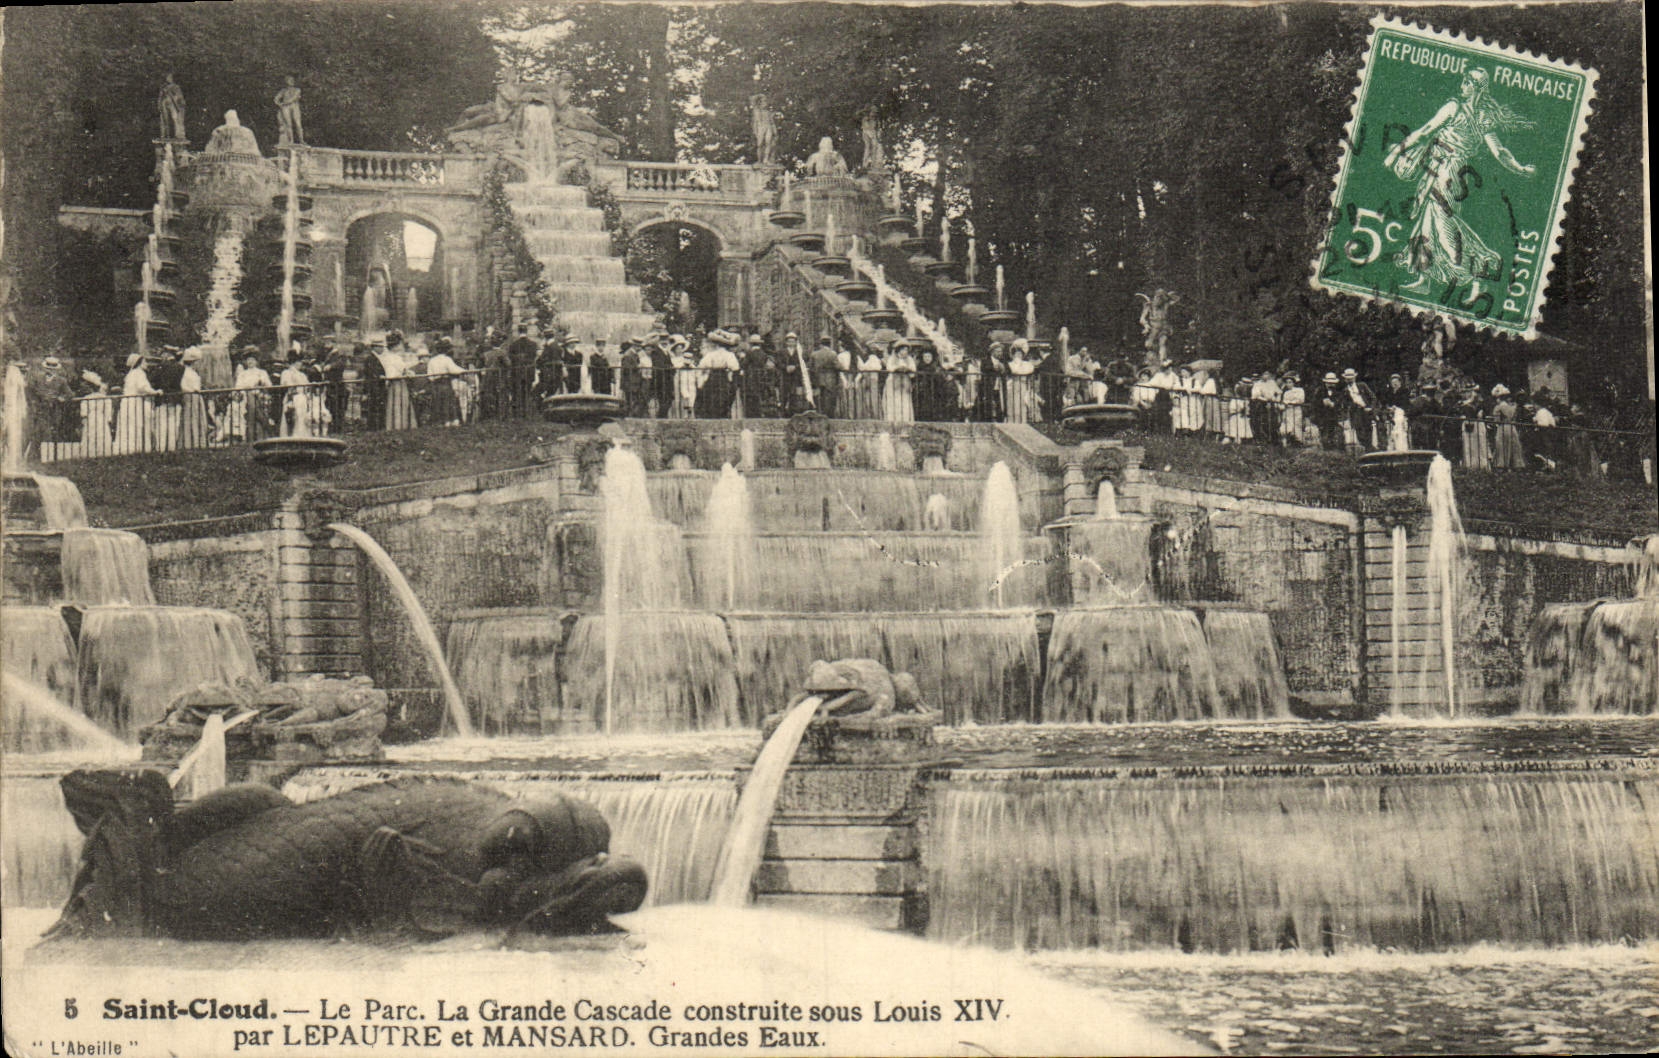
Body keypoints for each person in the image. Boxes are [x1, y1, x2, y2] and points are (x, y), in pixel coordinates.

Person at [1384, 67, 1536, 300]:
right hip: (1446, 169)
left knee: (1444, 224)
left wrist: (1396, 152)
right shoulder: (1482, 116)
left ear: (1477, 87)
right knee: (1428, 222)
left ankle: (1480, 273)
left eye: (1466, 82)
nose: (1462, 86)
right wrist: (1520, 168)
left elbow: (1426, 131)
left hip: (1447, 170)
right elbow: (1500, 152)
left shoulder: (1456, 108)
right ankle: (1425, 279)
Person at [225, 353, 270, 442]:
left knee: (254, 406)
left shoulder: (261, 372)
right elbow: (238, 387)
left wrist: (261, 383)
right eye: (248, 360)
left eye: (252, 359)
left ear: (256, 361)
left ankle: (258, 434)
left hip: (260, 397)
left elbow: (268, 385)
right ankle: (254, 435)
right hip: (246, 398)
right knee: (249, 402)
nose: (250, 362)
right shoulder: (243, 374)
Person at [148, 347, 186, 452]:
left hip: (162, 399)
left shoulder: (160, 367)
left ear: (166, 355)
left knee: (161, 425)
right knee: (174, 425)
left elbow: (151, 380)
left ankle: (161, 448)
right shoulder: (180, 368)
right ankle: (172, 448)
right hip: (175, 399)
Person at [695, 330, 740, 419]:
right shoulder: (729, 355)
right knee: (723, 399)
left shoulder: (710, 355)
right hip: (723, 377)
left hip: (712, 377)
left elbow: (701, 366)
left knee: (711, 400)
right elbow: (735, 368)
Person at [178, 347, 213, 448]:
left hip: (195, 397)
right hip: (191, 397)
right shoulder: (186, 372)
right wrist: (192, 390)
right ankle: (191, 443)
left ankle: (197, 442)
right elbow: (183, 386)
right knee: (191, 419)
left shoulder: (192, 372)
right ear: (193, 362)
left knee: (196, 419)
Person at [425, 338, 464, 426]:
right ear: (446, 350)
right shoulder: (447, 359)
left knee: (438, 402)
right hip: (445, 382)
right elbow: (454, 370)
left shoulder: (432, 360)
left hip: (436, 384)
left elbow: (430, 376)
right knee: (448, 401)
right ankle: (449, 420)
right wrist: (464, 370)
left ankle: (440, 421)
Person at [1339, 368, 1375, 452]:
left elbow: (1373, 397)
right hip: (1355, 412)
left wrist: (1370, 407)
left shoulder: (1362, 385)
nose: (1349, 380)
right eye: (1347, 378)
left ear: (1354, 378)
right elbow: (1344, 404)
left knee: (1368, 430)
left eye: (1351, 378)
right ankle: (1366, 448)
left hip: (1366, 411)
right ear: (1345, 379)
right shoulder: (1345, 391)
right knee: (1359, 432)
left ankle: (1370, 449)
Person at [883, 340, 916, 424]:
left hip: (905, 383)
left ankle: (905, 421)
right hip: (893, 383)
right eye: (902, 349)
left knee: (905, 402)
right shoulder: (892, 358)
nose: (904, 352)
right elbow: (889, 368)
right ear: (898, 350)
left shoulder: (909, 359)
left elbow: (913, 371)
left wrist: (908, 370)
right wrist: (897, 368)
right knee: (894, 402)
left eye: (906, 350)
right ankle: (893, 421)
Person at [809, 335, 842, 417]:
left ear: (821, 344)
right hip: (830, 377)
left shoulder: (814, 354)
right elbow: (838, 366)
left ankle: (819, 413)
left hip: (818, 377)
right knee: (829, 398)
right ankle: (829, 415)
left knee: (819, 397)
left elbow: (810, 367)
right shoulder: (833, 354)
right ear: (829, 344)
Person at [1311, 371, 1344, 450]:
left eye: (1332, 383)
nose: (1330, 385)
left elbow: (1340, 402)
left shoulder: (1338, 393)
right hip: (1322, 416)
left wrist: (1334, 404)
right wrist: (1322, 402)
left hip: (1334, 416)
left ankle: (1334, 448)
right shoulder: (1319, 391)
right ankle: (1326, 449)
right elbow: (1314, 403)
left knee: (1333, 433)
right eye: (1328, 383)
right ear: (1325, 383)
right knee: (1324, 434)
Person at [275, 76, 304, 148]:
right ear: (286, 82)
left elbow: (293, 98)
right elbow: (276, 99)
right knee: (288, 124)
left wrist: (284, 103)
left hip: (294, 106)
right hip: (286, 107)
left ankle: (301, 140)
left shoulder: (297, 90)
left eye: (292, 80)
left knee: (298, 124)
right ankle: (291, 140)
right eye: (289, 80)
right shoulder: (283, 91)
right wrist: (279, 104)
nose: (290, 81)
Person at [750, 94, 777, 167]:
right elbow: (755, 122)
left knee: (768, 143)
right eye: (763, 102)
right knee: (760, 144)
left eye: (766, 102)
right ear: (760, 103)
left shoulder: (768, 112)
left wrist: (775, 131)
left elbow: (772, 123)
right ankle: (759, 160)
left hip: (768, 127)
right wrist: (755, 131)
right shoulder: (757, 111)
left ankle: (766, 159)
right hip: (761, 128)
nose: (765, 103)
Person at [1279, 371, 1306, 446]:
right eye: (1287, 382)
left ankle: (1299, 441)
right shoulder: (1286, 393)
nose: (1288, 384)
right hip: (1288, 411)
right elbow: (1284, 401)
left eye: (1290, 382)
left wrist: (1291, 402)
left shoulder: (1300, 390)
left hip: (1296, 410)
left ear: (1294, 383)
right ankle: (1289, 441)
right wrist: (1285, 404)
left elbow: (1301, 400)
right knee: (1288, 425)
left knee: (1297, 425)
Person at [158, 73, 187, 141]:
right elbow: (160, 97)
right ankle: (165, 134)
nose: (168, 78)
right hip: (165, 103)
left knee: (175, 118)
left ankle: (178, 135)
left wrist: (174, 97)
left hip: (173, 104)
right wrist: (159, 104)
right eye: (167, 77)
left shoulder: (176, 87)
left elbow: (179, 97)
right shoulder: (163, 87)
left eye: (169, 77)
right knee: (164, 119)